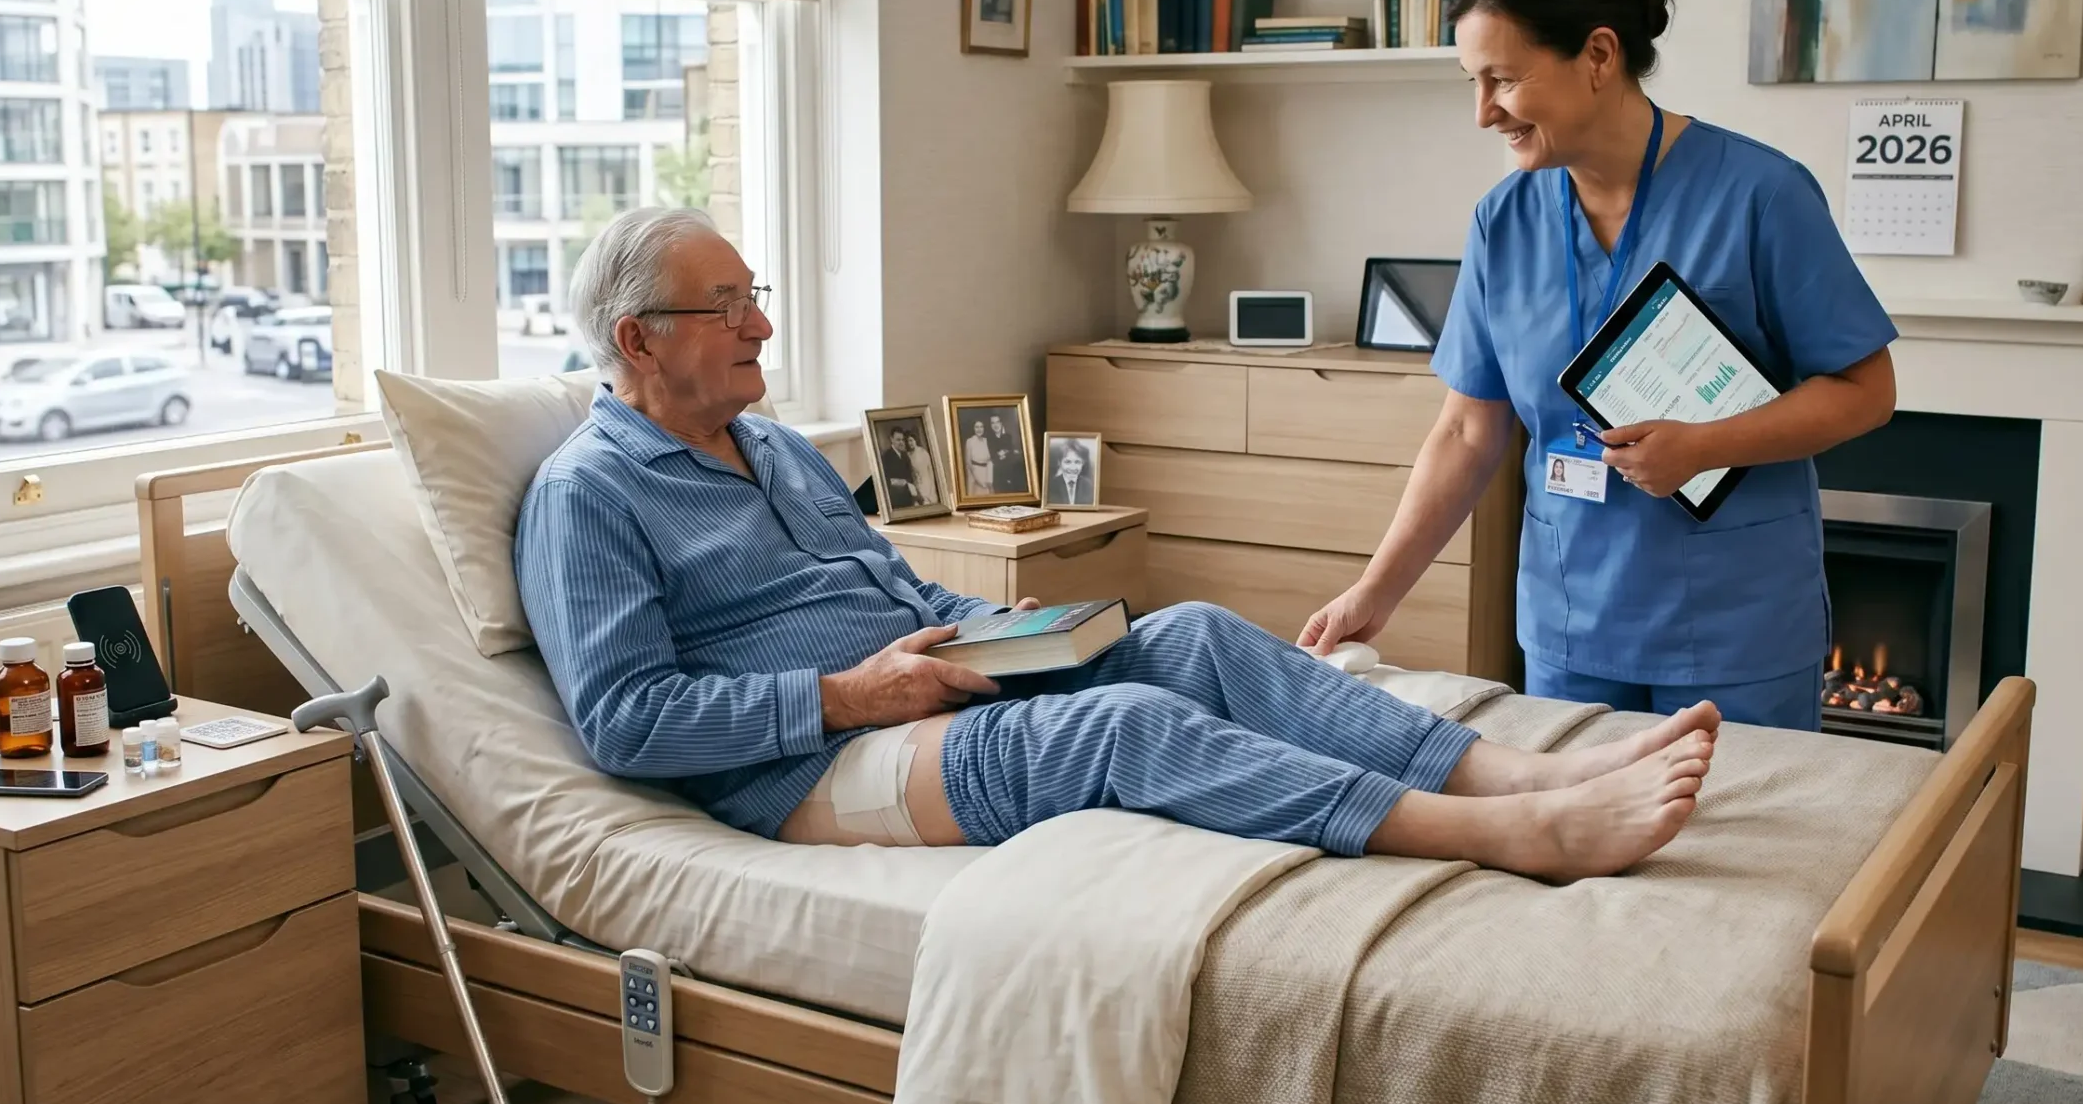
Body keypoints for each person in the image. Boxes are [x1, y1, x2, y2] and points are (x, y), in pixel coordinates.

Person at [516, 207, 1718, 880]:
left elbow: (895, 580)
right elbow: (627, 719)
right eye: (726, 309)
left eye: (754, 294)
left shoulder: (768, 445)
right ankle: (1498, 832)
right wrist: (845, 695)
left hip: (923, 692)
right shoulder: (590, 498)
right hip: (802, 771)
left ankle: (1514, 770)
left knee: (1185, 632)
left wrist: (1009, 633)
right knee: (1122, 725)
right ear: (636, 338)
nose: (759, 323)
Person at [1302, 0, 1898, 732]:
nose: (1483, 113)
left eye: (1504, 80)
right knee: (1580, 852)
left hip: (1735, 629)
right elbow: (1467, 430)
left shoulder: (1761, 195)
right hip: (1572, 622)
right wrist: (1375, 590)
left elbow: (1867, 392)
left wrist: (1704, 444)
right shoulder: (1502, 221)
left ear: (1599, 54)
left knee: (1745, 850)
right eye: (1472, 83)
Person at [882, 428, 924, 509]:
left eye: (902, 440)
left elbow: (910, 475)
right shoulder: (886, 456)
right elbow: (887, 480)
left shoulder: (905, 455)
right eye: (898, 440)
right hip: (896, 498)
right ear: (891, 439)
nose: (901, 442)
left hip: (909, 497)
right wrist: (906, 483)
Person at [963, 417, 995, 494]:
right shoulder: (970, 441)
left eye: (981, 427)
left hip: (986, 474)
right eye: (977, 427)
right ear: (973, 428)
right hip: (974, 474)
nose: (979, 429)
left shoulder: (986, 440)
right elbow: (968, 461)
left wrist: (989, 479)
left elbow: (990, 460)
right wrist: (978, 479)